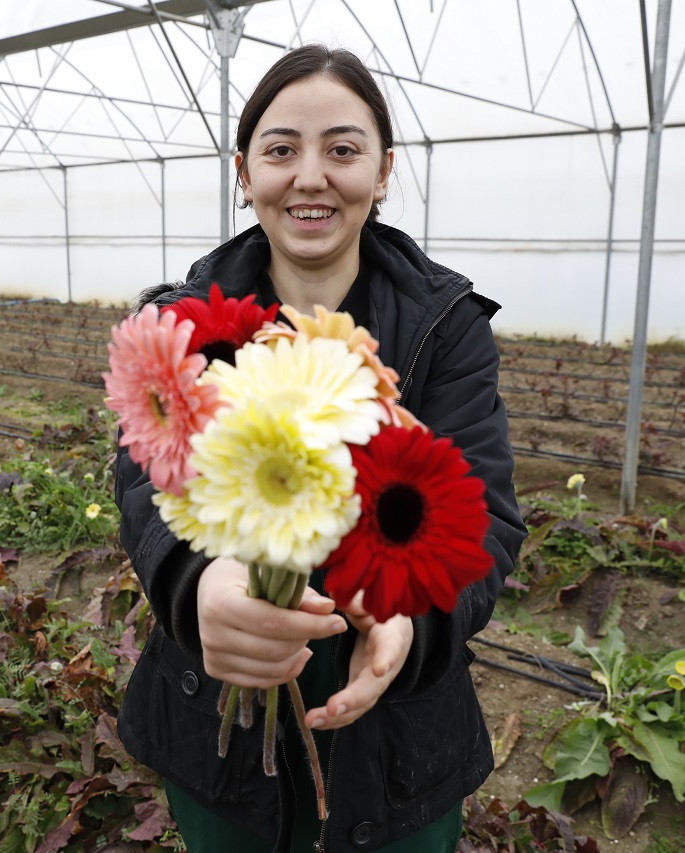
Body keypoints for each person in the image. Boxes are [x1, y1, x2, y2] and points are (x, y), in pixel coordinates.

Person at [114, 44, 527, 852]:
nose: (310, 176)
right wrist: (199, 584)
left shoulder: (449, 329)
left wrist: (412, 624)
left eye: (342, 149)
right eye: (280, 150)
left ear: (382, 172)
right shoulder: (183, 322)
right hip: (219, 727)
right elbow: (142, 481)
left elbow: (484, 523)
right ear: (244, 172)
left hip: (399, 742)